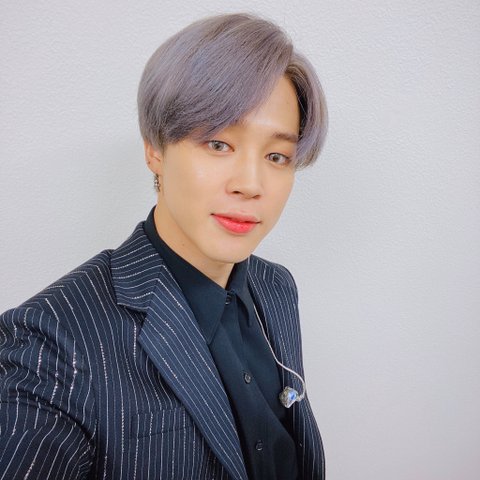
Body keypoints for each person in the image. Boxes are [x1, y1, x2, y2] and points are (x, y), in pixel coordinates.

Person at [0, 13, 327, 480]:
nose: (251, 184)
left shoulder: (276, 287)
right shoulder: (53, 338)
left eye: (277, 156)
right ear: (155, 148)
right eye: (218, 144)